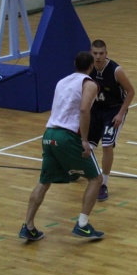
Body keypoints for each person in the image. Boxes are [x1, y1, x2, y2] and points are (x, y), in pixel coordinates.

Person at [19, 51, 105, 241]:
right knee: (96, 179)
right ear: (91, 66)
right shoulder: (89, 84)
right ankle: (82, 224)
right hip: (67, 136)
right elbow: (84, 109)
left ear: (74, 64)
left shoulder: (62, 81)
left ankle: (28, 226)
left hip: (49, 134)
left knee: (44, 181)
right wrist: (85, 140)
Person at [88, 39, 135, 201]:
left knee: (107, 145)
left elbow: (131, 92)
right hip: (96, 109)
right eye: (95, 53)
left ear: (106, 54)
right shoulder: (88, 68)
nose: (98, 57)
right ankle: (84, 172)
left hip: (114, 110)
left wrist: (120, 114)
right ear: (91, 54)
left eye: (101, 53)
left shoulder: (116, 70)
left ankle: (103, 184)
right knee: (87, 146)